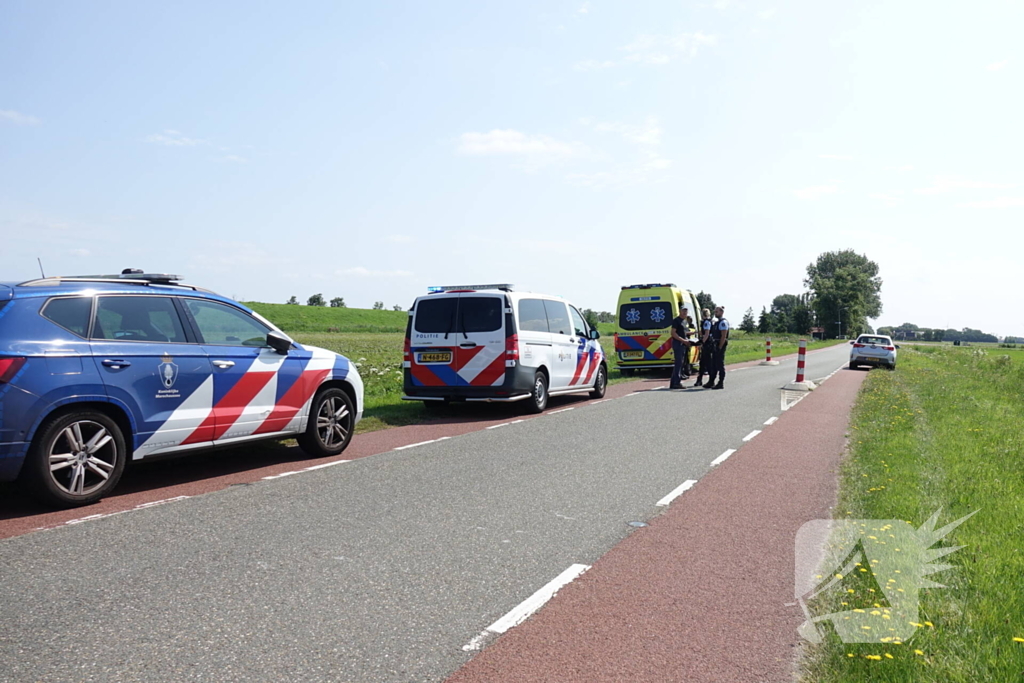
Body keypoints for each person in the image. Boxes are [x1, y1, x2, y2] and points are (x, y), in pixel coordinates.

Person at [669, 306, 692, 389]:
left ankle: (673, 383)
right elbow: (673, 333)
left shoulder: (684, 321)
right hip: (678, 344)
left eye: (686, 311)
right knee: (678, 363)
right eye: (683, 311)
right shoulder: (676, 321)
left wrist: (692, 333)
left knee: (680, 363)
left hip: (683, 344)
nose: (685, 312)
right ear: (679, 311)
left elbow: (684, 332)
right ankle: (676, 382)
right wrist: (683, 341)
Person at [708, 305, 730, 389]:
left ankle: (720, 382)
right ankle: (711, 381)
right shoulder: (717, 322)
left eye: (717, 312)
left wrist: (720, 347)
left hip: (720, 345)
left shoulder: (723, 322)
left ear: (721, 312)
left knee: (719, 364)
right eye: (715, 311)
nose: (715, 313)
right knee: (713, 364)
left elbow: (723, 336)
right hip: (715, 344)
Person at [694, 308, 714, 388]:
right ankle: (700, 380)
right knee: (703, 363)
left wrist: (702, 342)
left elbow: (706, 334)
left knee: (707, 363)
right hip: (708, 344)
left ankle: (710, 380)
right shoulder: (710, 321)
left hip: (707, 344)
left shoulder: (706, 322)